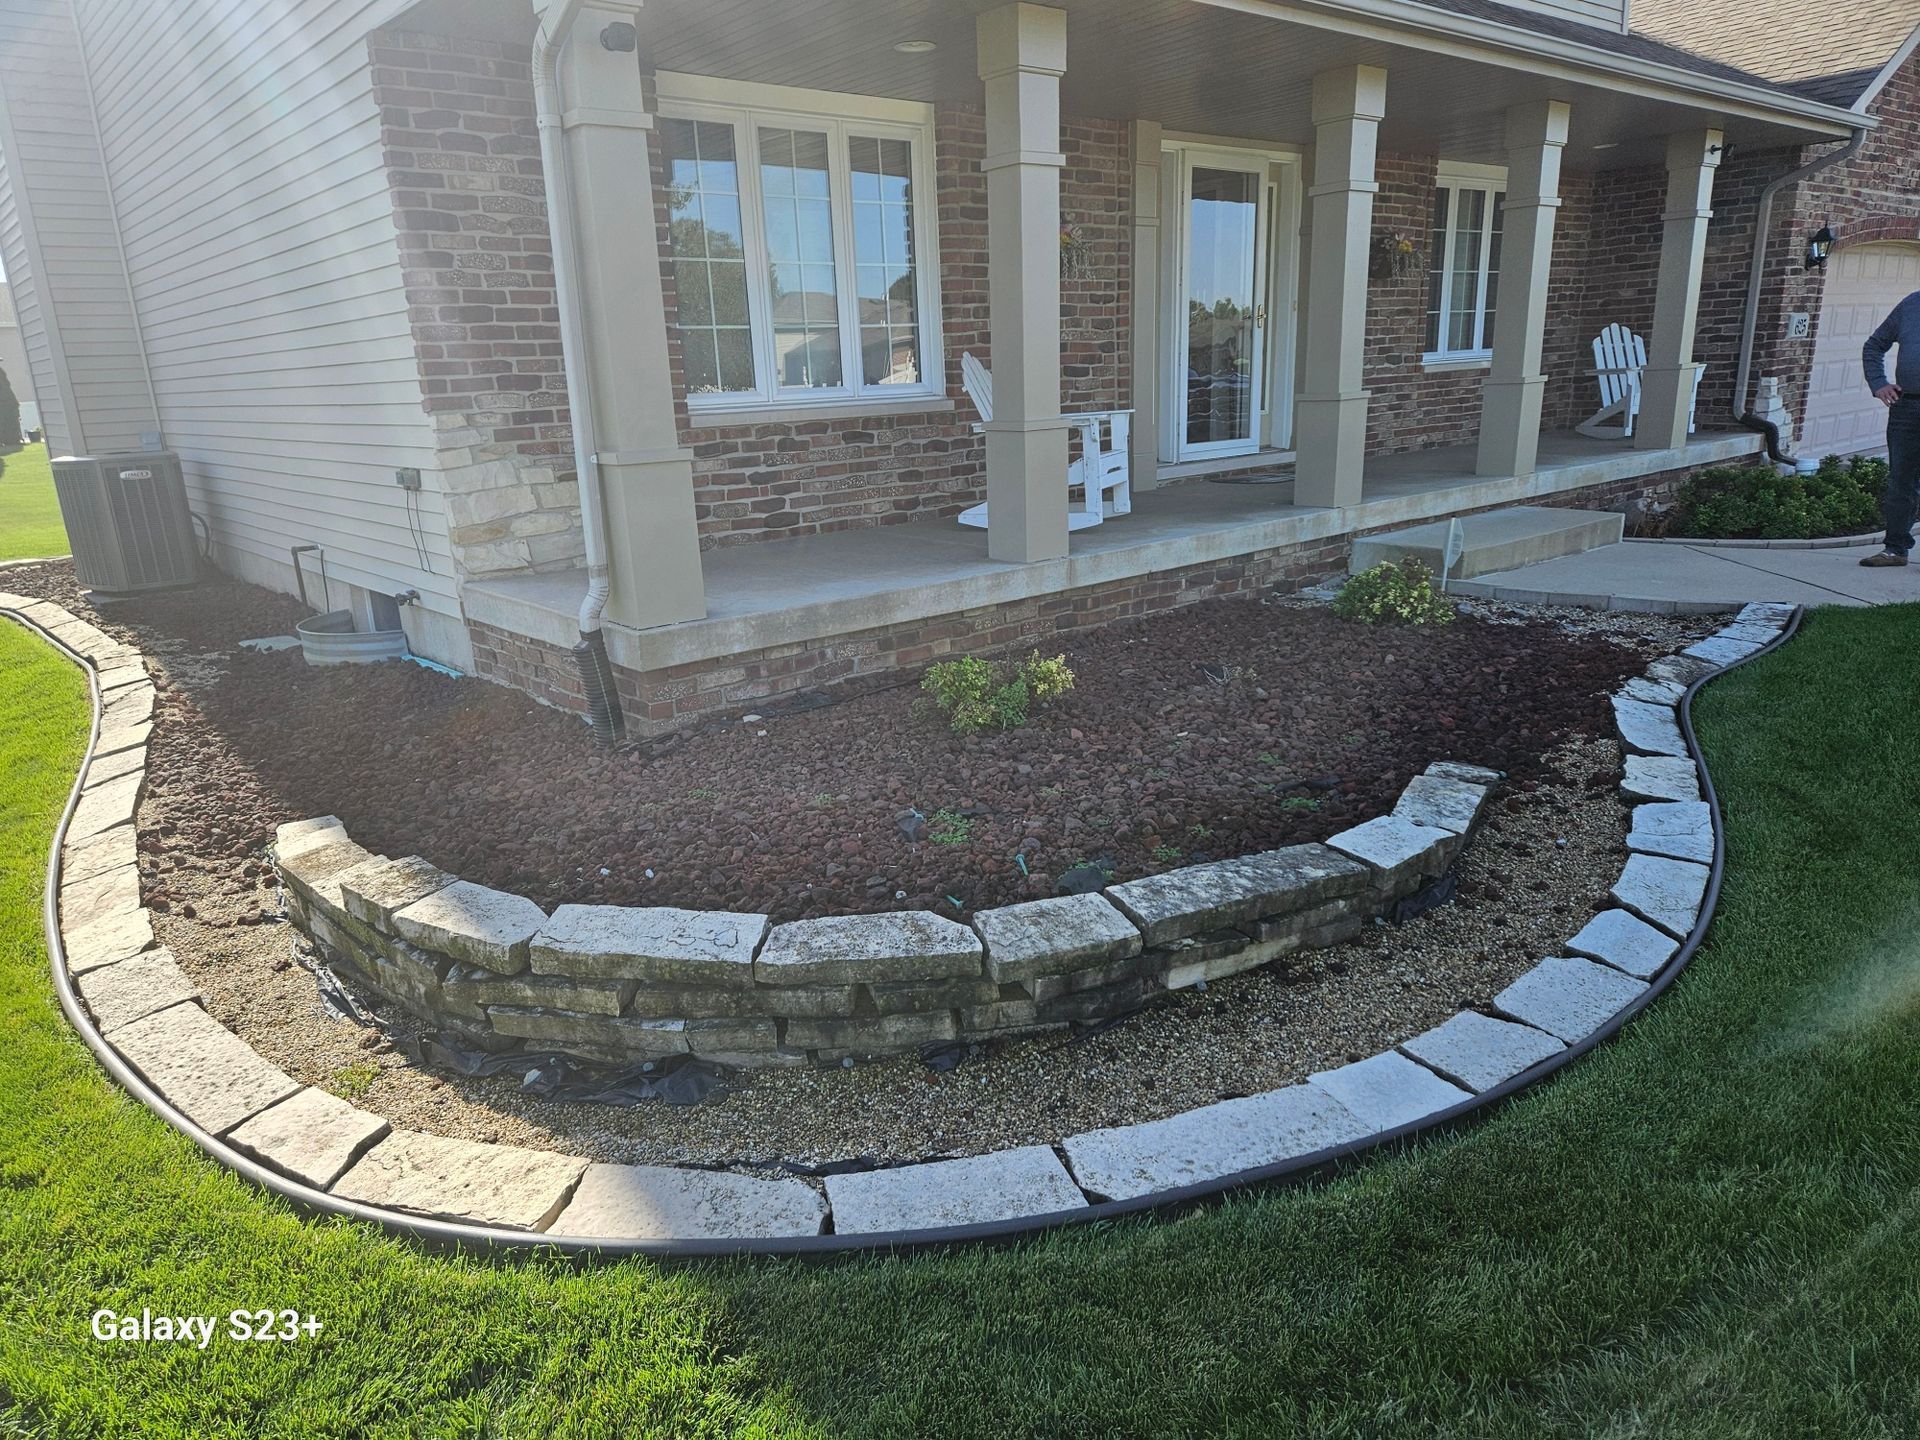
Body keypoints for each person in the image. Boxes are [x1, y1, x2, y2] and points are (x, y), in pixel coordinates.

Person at [1860, 288, 1920, 567]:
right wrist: (1878, 384)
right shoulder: (1911, 304)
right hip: (1907, 407)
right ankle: (1895, 550)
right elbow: (1874, 346)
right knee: (1901, 482)